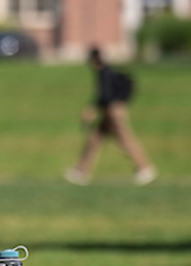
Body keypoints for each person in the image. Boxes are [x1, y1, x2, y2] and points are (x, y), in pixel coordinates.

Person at [63, 47, 157, 185]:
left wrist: (92, 109)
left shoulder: (104, 72)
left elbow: (105, 95)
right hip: (111, 110)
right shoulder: (107, 71)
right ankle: (81, 171)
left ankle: (145, 168)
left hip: (113, 110)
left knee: (124, 138)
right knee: (95, 138)